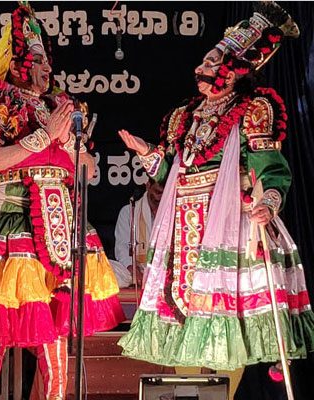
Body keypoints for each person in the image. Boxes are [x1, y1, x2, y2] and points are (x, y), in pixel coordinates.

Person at [0, 3, 124, 400]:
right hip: (12, 222)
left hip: (61, 224)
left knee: (54, 325)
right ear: (17, 66)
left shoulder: (61, 109)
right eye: (38, 62)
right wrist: (45, 136)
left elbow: (89, 172)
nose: (48, 69)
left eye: (49, 62)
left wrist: (68, 141)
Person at [117, 1, 314, 398]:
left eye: (209, 62)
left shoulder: (254, 111)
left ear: (233, 68)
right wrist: (146, 154)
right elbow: (170, 171)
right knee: (185, 315)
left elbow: (271, 167)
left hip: (229, 225)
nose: (199, 68)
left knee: (224, 320)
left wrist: (269, 201)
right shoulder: (184, 116)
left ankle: (219, 393)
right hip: (184, 225)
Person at [112, 178, 164, 287]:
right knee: (109, 271)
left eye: (165, 193)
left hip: (164, 271)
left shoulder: (173, 211)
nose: (161, 198)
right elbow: (122, 247)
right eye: (158, 192)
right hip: (137, 269)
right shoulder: (129, 211)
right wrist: (133, 269)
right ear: (148, 186)